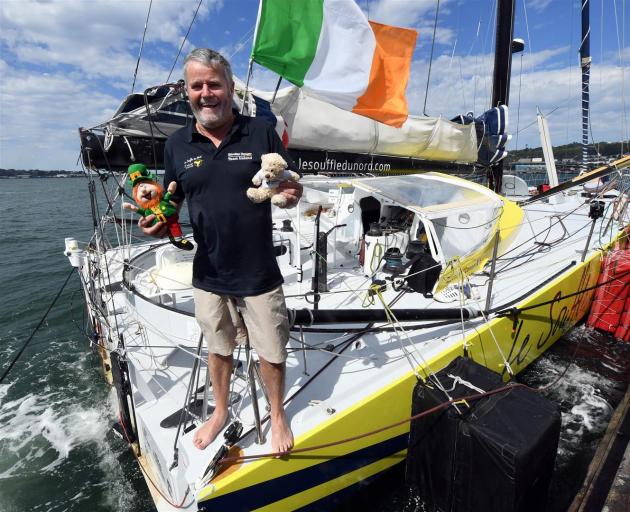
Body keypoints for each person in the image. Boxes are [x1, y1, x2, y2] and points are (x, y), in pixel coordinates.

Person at [139, 48, 302, 454]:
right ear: (187, 92)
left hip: (258, 270)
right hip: (208, 272)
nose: (206, 93)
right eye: (198, 86)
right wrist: (159, 224)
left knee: (272, 350)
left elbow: (287, 182)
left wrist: (292, 193)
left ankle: (277, 414)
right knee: (219, 347)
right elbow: (170, 204)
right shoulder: (176, 145)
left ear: (230, 88)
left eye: (214, 84)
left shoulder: (259, 132)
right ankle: (220, 411)